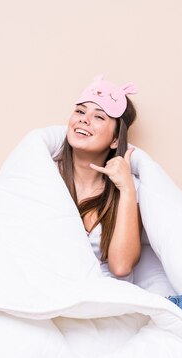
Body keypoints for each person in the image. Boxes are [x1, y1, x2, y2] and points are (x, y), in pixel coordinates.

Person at [53, 75, 141, 282]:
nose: (84, 119)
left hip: (104, 300)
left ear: (114, 140)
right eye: (80, 111)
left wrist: (127, 190)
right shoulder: (47, 174)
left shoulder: (129, 187)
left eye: (99, 117)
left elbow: (121, 267)